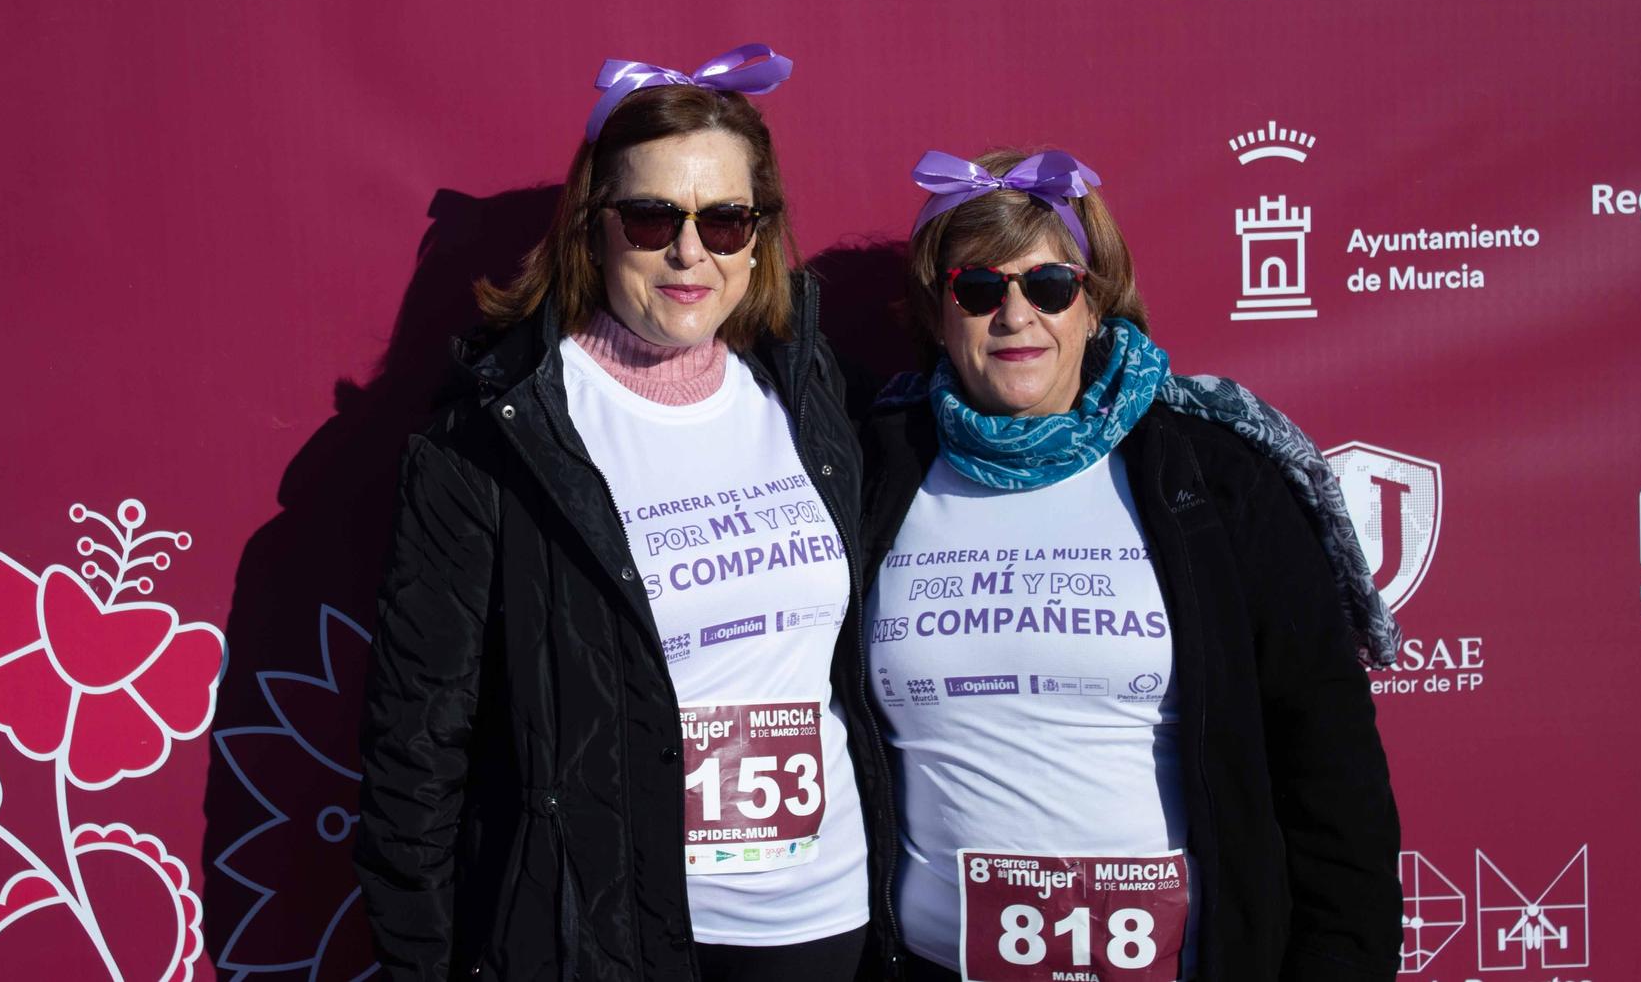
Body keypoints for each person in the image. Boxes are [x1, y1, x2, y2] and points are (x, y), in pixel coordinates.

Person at [355, 47, 901, 982]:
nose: (691, 251)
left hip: (821, 923)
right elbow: (417, 751)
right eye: (653, 217)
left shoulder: (816, 399)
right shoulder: (497, 439)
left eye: (727, 220)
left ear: (760, 236)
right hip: (608, 940)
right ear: (594, 228)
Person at [859, 147, 1402, 982]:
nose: (1015, 315)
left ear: (1093, 301)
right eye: (978, 288)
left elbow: (1327, 762)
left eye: (1048, 286)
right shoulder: (868, 473)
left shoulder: (1216, 477)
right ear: (938, 312)